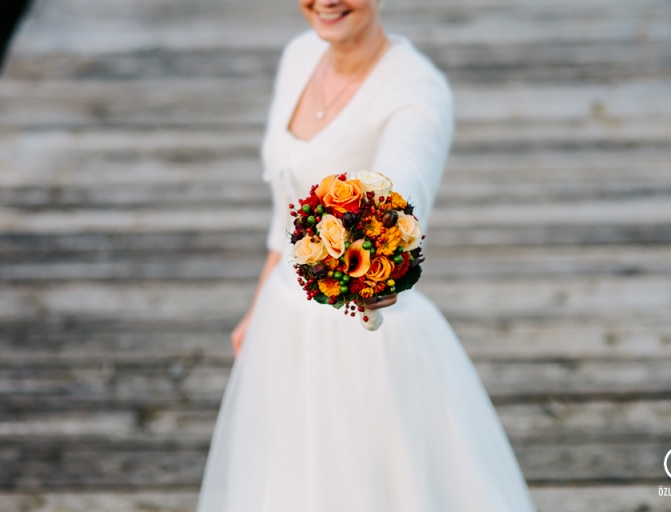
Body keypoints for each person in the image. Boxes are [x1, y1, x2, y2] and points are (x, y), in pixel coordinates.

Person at [196, 1, 537, 510]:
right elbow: (285, 211)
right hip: (280, 320)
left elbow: (404, 189)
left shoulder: (417, 92)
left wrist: (378, 266)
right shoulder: (299, 56)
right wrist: (256, 306)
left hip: (357, 339)